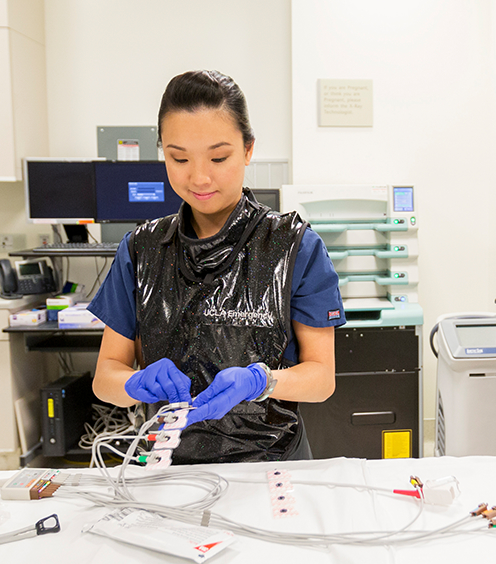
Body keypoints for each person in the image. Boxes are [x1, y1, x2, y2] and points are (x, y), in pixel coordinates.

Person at [89, 70, 345, 463]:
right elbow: (105, 378)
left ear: (248, 150)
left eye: (219, 157)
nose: (199, 177)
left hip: (273, 463)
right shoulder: (141, 250)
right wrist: (136, 383)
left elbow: (322, 379)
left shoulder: (295, 247)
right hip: (169, 464)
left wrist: (262, 381)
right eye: (179, 158)